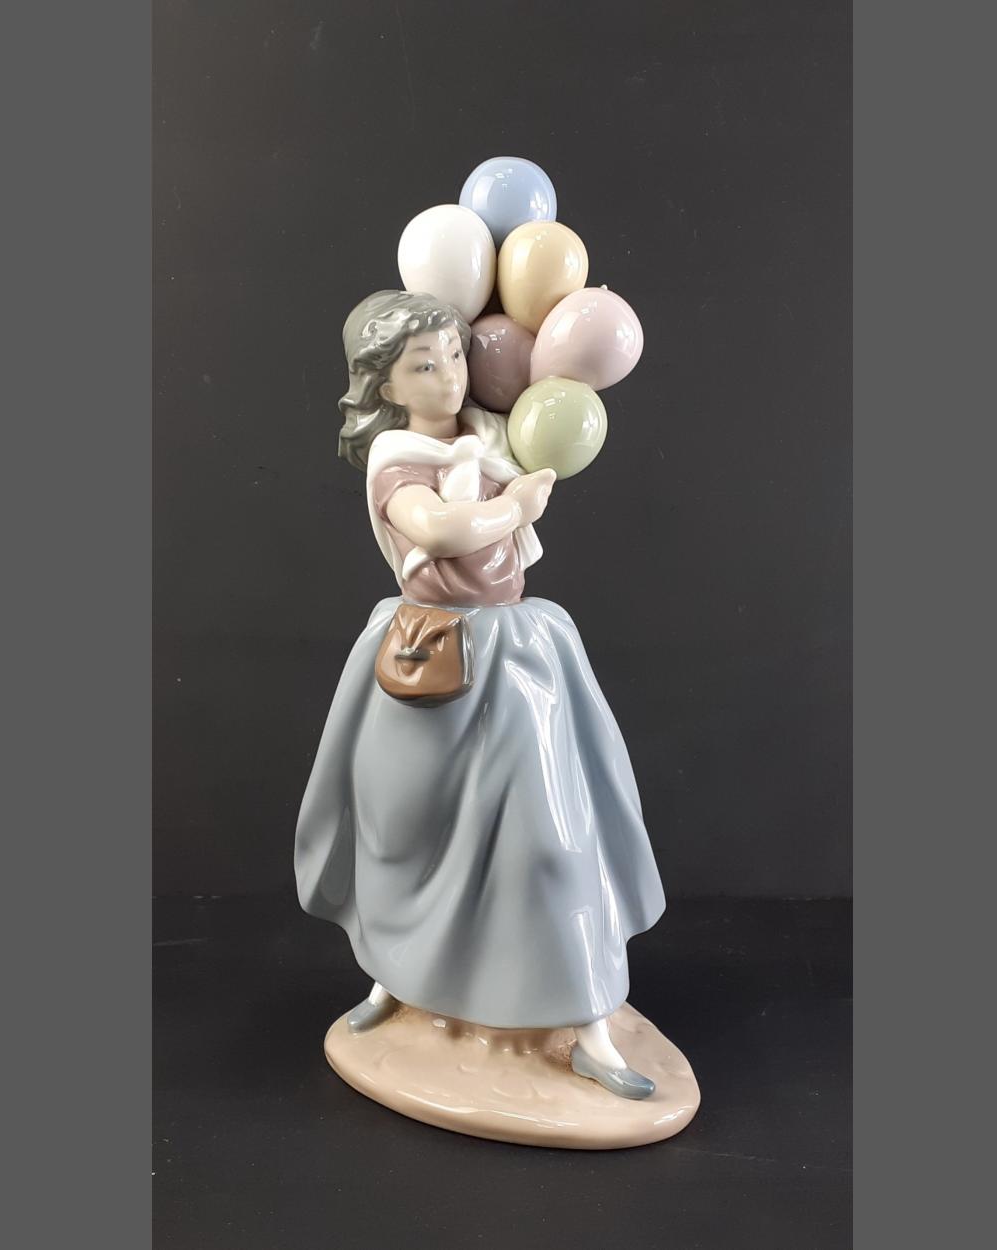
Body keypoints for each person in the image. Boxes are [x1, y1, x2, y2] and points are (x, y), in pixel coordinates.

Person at [294, 290, 666, 1099]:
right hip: (428, 652)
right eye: (423, 365)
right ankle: (397, 978)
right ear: (387, 385)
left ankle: (590, 1025)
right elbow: (436, 530)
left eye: (456, 355)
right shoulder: (396, 459)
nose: (449, 375)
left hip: (517, 652)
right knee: (406, 830)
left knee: (552, 833)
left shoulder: (494, 437)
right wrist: (514, 505)